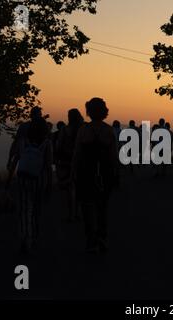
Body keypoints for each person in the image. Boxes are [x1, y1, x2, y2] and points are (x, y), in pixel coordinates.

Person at [72, 98, 118, 253]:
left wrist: (73, 173)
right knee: (102, 207)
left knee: (87, 207)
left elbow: (77, 154)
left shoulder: (83, 130)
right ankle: (102, 237)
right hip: (105, 173)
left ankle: (90, 239)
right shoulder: (109, 130)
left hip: (86, 173)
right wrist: (116, 174)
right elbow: (113, 156)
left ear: (89, 112)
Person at [15, 116, 53, 254]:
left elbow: (17, 160)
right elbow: (48, 166)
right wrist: (49, 184)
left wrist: (8, 181)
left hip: (23, 178)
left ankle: (26, 238)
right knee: (36, 210)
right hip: (39, 179)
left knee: (25, 209)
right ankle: (34, 236)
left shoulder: (22, 141)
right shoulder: (47, 143)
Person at [56, 109, 84, 222]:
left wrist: (57, 159)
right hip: (80, 162)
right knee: (79, 188)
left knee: (69, 189)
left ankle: (71, 214)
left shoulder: (64, 130)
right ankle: (78, 213)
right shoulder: (83, 129)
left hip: (67, 161)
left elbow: (59, 145)